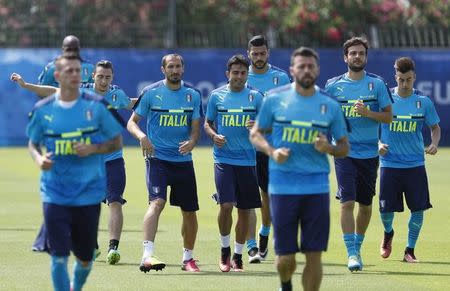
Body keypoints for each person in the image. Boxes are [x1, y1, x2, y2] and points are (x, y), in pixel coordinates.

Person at [11, 60, 137, 265]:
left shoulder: (116, 95)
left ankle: (113, 248)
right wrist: (26, 86)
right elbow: (52, 90)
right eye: (100, 76)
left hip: (113, 159)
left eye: (108, 77)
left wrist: (153, 98)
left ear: (112, 78)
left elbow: (134, 103)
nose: (104, 80)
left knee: (115, 201)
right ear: (93, 76)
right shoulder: (82, 92)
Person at [250, 47, 349, 291]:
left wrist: (329, 147)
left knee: (314, 255)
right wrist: (272, 152)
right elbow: (255, 134)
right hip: (282, 187)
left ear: (317, 69)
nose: (306, 70)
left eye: (310, 66)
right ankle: (286, 284)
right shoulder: (274, 98)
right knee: (285, 259)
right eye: (301, 66)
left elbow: (345, 147)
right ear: (292, 70)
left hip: (316, 187)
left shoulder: (330, 104)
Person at [26, 53, 124, 291]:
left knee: (84, 258)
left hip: (88, 193)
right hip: (55, 191)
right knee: (58, 256)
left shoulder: (96, 106)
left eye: (77, 71)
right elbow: (33, 142)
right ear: (57, 76)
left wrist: (93, 148)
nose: (73, 75)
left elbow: (116, 142)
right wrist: (39, 158)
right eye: (68, 71)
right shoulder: (43, 109)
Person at [127, 53, 202, 273]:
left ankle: (188, 258)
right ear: (163, 70)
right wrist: (142, 137)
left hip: (183, 161)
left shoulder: (193, 95)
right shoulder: (150, 93)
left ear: (183, 69)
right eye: (171, 66)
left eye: (178, 66)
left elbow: (196, 130)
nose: (175, 70)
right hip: (157, 159)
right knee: (157, 202)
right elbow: (132, 123)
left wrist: (192, 142)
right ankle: (147, 256)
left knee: (189, 211)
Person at [325, 36, 393, 272]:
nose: (357, 57)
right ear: (345, 57)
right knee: (347, 202)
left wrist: (368, 114)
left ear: (366, 57)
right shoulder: (333, 86)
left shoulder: (377, 84)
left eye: (361, 53)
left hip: (369, 154)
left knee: (365, 205)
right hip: (344, 151)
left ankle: (358, 245)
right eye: (352, 53)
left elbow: (388, 116)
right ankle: (351, 253)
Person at [204, 54, 263, 272]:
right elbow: (207, 123)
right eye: (235, 73)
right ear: (227, 74)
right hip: (223, 159)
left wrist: (257, 125)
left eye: (243, 73)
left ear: (247, 75)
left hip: (248, 161)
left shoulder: (256, 97)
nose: (239, 76)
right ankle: (224, 250)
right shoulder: (216, 96)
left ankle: (238, 255)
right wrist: (213, 135)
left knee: (245, 210)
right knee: (226, 205)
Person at [378, 57, 440, 263]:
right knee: (386, 211)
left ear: (415, 78)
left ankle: (409, 250)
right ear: (395, 77)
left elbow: (435, 127)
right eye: (401, 79)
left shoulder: (424, 102)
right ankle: (388, 233)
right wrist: (378, 144)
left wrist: (434, 143)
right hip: (389, 165)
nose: (405, 84)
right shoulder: (385, 101)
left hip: (415, 165)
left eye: (409, 80)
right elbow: (373, 128)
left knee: (418, 209)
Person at [245, 35, 291, 263]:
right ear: (248, 54)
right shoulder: (242, 76)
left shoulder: (281, 78)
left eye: (263, 53)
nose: (259, 57)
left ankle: (264, 232)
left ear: (268, 53)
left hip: (269, 147)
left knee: (266, 195)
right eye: (255, 54)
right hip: (242, 149)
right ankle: (251, 245)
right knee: (246, 198)